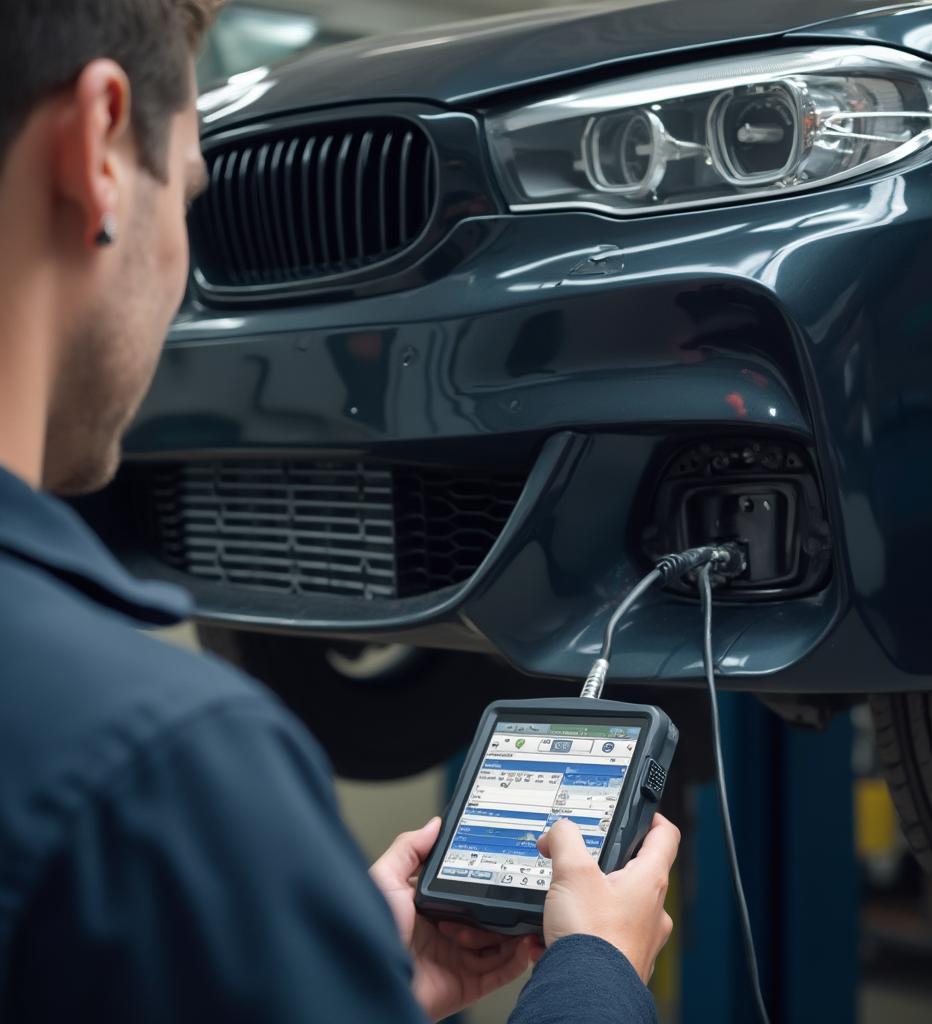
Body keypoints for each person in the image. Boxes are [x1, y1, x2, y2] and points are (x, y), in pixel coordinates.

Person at [0, 2, 681, 1022]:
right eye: (189, 194)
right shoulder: (161, 767)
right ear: (99, 146)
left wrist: (336, 981)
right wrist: (597, 973)